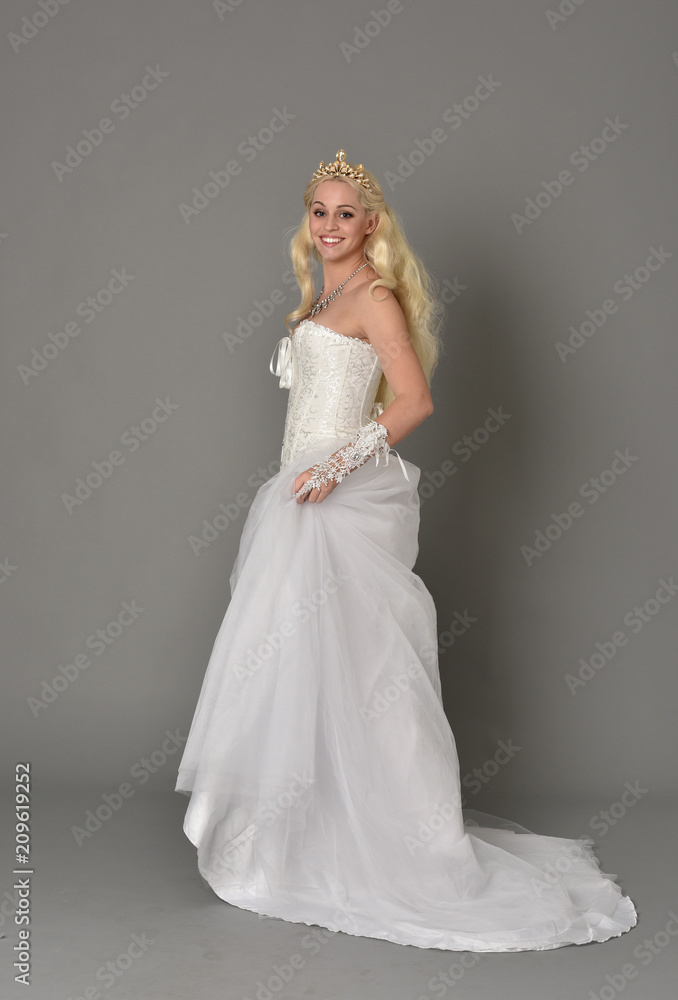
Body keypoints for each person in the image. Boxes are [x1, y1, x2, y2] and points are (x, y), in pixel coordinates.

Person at [175, 149, 637, 951]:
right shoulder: (327, 293)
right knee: (294, 662)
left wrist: (336, 466)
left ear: (372, 225)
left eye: (344, 214)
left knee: (360, 668)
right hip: (297, 492)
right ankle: (291, 836)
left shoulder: (376, 298)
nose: (328, 225)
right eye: (318, 211)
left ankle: (386, 839)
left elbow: (415, 400)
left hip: (331, 493)